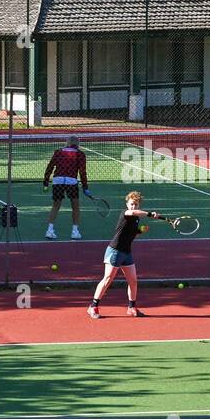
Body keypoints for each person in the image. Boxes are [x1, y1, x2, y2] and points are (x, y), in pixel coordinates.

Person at [88, 191, 164, 319]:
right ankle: (93, 306)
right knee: (107, 279)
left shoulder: (136, 218)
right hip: (115, 251)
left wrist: (140, 230)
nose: (134, 206)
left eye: (136, 204)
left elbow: (132, 235)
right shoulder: (126, 213)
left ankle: (131, 307)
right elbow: (133, 213)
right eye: (132, 204)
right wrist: (150, 214)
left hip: (126, 253)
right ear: (127, 204)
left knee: (133, 281)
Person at [43, 135, 88, 240]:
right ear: (77, 144)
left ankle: (49, 231)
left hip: (57, 181)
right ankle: (75, 232)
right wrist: (85, 187)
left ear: (67, 142)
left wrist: (45, 182)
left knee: (55, 206)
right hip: (71, 182)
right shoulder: (80, 154)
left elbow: (49, 167)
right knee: (75, 207)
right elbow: (82, 172)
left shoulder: (58, 152)